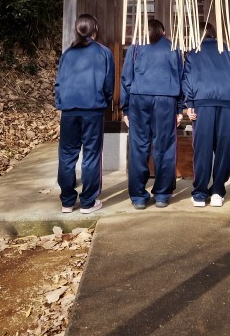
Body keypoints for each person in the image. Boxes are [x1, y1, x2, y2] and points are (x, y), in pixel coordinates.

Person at [54, 13, 115, 214]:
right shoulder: (104, 53)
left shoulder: (67, 54)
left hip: (70, 110)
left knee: (67, 155)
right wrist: (104, 103)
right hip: (93, 110)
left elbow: (59, 83)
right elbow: (108, 84)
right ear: (95, 30)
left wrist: (61, 103)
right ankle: (88, 202)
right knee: (91, 155)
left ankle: (67, 201)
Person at [120, 18, 183, 208]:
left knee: (139, 146)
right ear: (163, 31)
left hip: (139, 99)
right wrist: (179, 108)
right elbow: (180, 77)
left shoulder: (136, 47)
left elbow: (126, 78)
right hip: (166, 100)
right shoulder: (173, 47)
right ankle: (162, 195)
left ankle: (138, 197)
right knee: (164, 146)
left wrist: (126, 108)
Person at [182, 23, 230, 207]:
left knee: (202, 149)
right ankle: (218, 191)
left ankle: (200, 194)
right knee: (224, 150)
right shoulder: (228, 52)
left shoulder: (193, 54)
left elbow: (187, 80)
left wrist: (191, 104)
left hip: (203, 104)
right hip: (227, 104)